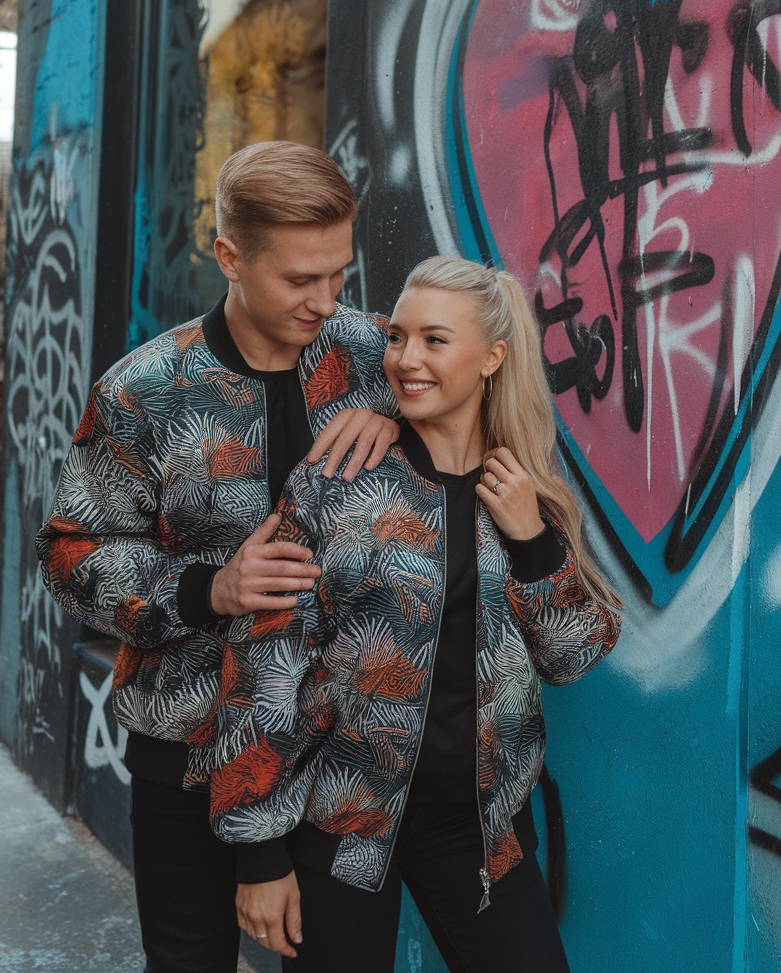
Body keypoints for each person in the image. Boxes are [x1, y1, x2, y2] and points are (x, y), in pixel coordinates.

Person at [37, 141, 400, 973]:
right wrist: (209, 588)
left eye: (338, 274)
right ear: (229, 256)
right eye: (298, 280)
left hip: (340, 748)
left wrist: (400, 418)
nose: (324, 301)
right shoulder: (144, 389)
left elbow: (489, 395)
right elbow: (69, 553)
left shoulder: (377, 357)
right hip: (186, 746)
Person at [209, 256, 624, 972]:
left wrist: (531, 541)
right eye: (398, 338)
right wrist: (259, 856)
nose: (405, 359)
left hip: (481, 827)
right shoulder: (336, 481)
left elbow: (571, 657)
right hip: (343, 815)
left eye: (435, 341)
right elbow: (263, 665)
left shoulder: (524, 489)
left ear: (493, 356)